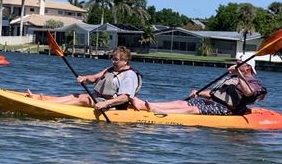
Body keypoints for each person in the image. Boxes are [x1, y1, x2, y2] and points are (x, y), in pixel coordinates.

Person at [131, 58, 267, 115]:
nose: (236, 64)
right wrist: (199, 93)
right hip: (212, 102)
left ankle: (159, 111)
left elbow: (249, 93)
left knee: (193, 109)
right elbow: (215, 94)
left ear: (248, 67)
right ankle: (144, 105)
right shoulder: (233, 78)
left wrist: (238, 74)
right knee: (182, 102)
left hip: (226, 109)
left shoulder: (254, 82)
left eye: (240, 62)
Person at [28, 46, 142, 110]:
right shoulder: (111, 69)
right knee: (76, 95)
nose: (113, 61)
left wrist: (105, 104)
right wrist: (84, 79)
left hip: (113, 106)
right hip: (99, 99)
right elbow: (94, 78)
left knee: (83, 98)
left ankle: (47, 107)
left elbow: (125, 98)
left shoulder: (129, 75)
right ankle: (47, 103)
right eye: (112, 58)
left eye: (116, 59)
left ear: (125, 60)